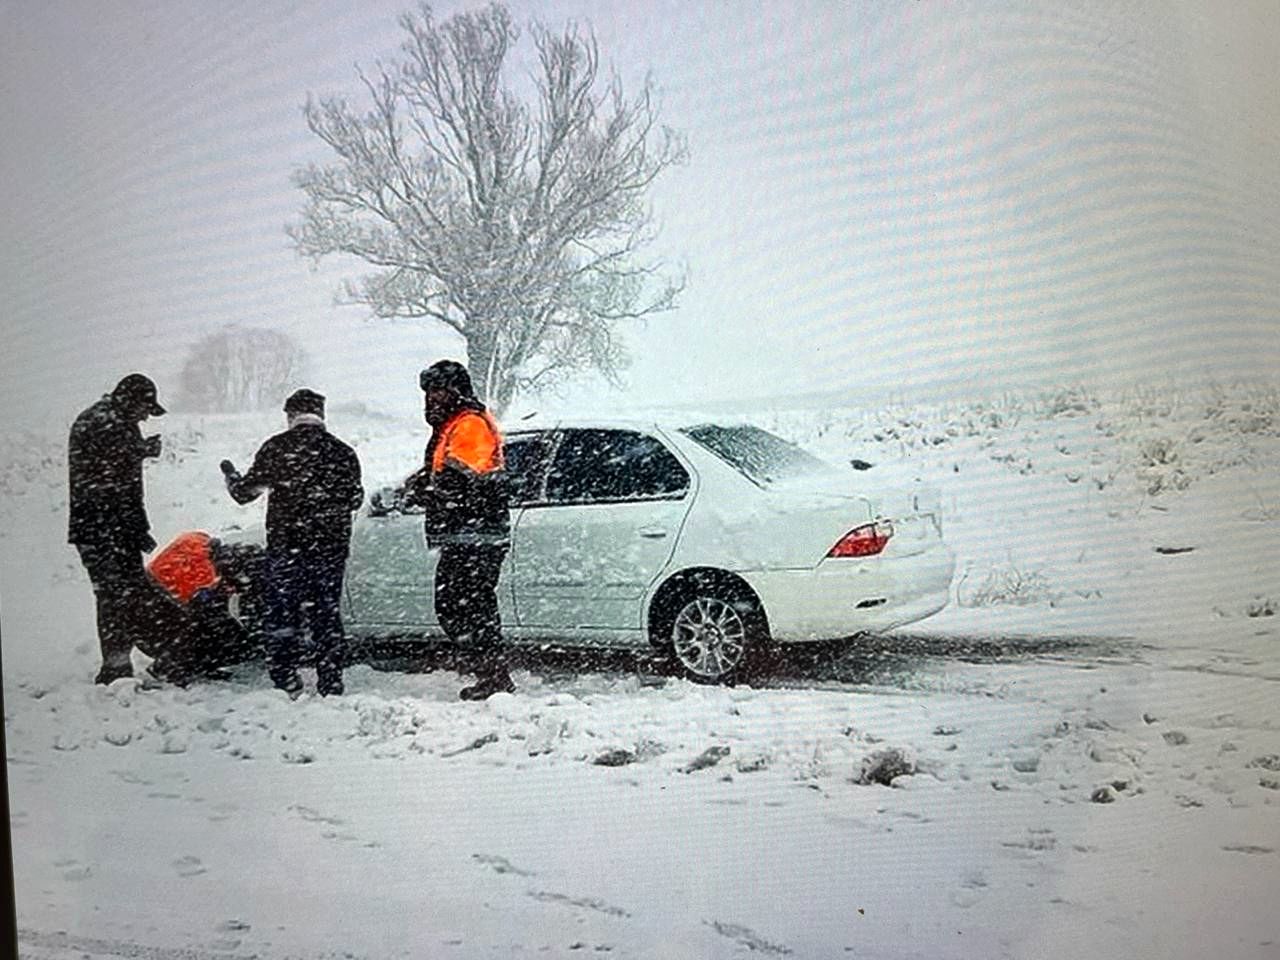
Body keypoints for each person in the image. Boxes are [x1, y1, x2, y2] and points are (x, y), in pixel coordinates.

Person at [220, 389, 363, 697]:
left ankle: (285, 678)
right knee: (326, 612)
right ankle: (331, 679)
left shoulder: (277, 448)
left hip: (288, 547)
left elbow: (245, 493)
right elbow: (355, 498)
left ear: (290, 415)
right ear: (321, 415)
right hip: (330, 549)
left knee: (283, 613)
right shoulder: (343, 452)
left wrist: (232, 477)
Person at [404, 360, 515, 700]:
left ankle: (492, 674)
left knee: (466, 605)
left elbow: (462, 481)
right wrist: (420, 482)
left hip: (476, 534)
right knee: (461, 604)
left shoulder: (468, 425)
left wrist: (425, 494)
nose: (429, 399)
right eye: (427, 392)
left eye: (436, 391)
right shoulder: (454, 425)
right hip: (466, 534)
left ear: (454, 391)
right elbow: (446, 473)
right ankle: (487, 668)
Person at [67, 373, 166, 684]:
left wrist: (136, 529)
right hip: (104, 528)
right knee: (115, 596)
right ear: (130, 400)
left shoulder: (109, 420)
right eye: (145, 409)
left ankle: (153, 654)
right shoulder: (105, 422)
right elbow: (112, 478)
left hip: (111, 527)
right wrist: (141, 450)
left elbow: (116, 474)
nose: (147, 416)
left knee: (128, 593)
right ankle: (116, 667)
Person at [141, 531, 258, 686]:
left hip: (142, 618)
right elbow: (206, 613)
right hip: (161, 627)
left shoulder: (195, 539)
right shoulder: (210, 579)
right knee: (229, 633)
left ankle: (178, 664)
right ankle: (176, 667)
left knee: (212, 621)